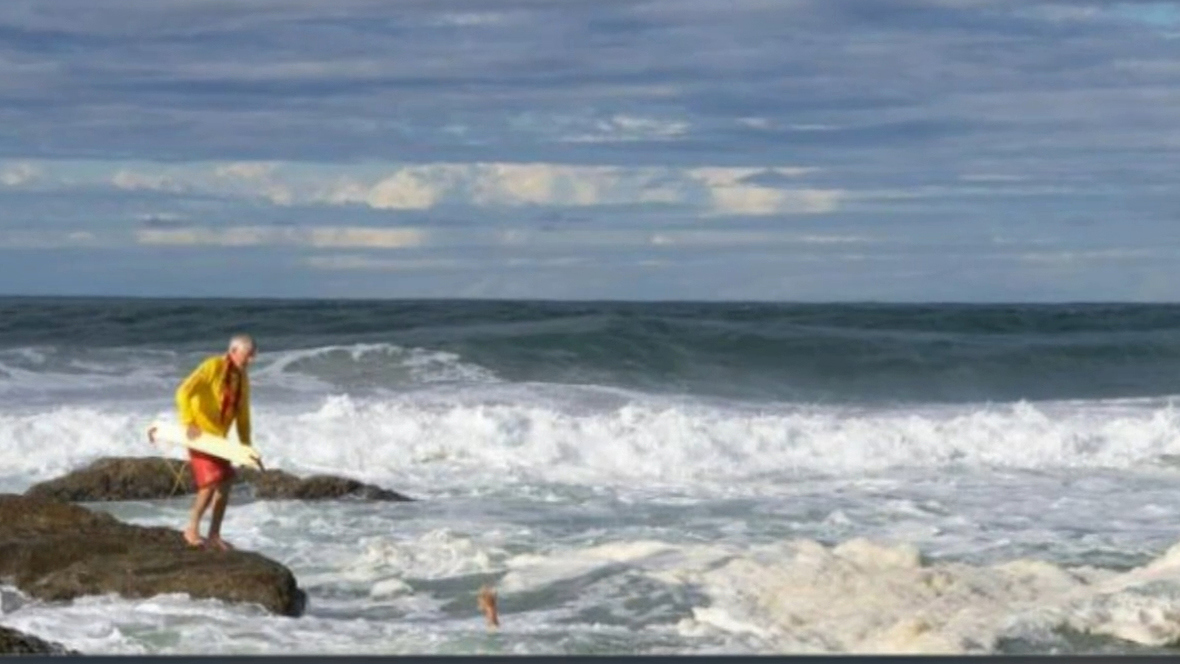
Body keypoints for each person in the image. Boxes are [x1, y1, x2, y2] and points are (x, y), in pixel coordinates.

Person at [174, 333, 256, 550]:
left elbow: (243, 415)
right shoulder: (212, 367)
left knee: (226, 483)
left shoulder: (242, 379)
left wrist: (245, 446)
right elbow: (183, 391)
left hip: (218, 440)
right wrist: (188, 421)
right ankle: (191, 528)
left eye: (253, 356)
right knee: (211, 483)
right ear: (233, 351)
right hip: (198, 436)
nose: (251, 360)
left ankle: (214, 535)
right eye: (247, 356)